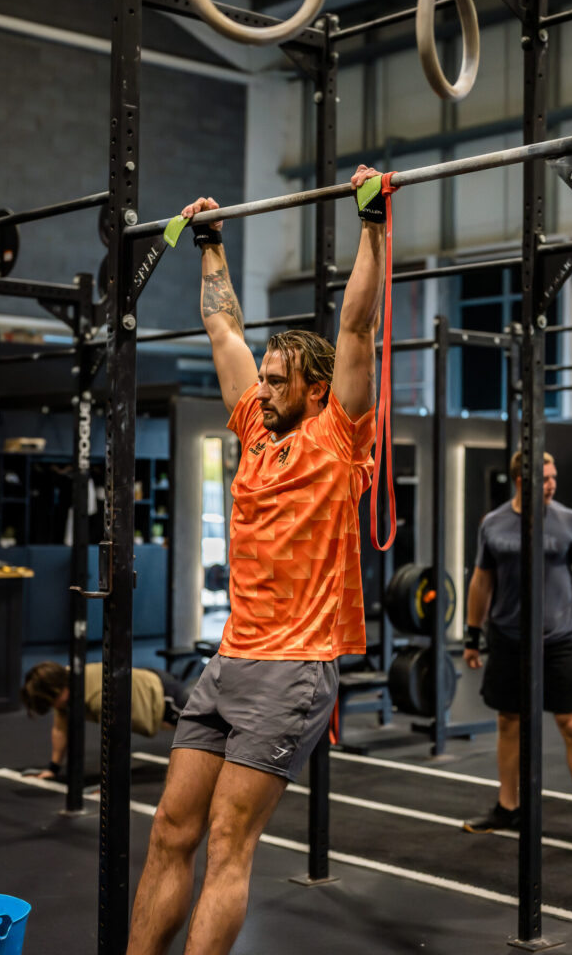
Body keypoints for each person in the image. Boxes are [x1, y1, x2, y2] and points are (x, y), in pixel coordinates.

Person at [126, 164, 385, 955]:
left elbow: (355, 329)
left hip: (292, 670)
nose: (261, 390)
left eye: (277, 382)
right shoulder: (255, 430)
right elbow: (224, 331)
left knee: (227, 843)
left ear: (315, 390)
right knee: (170, 830)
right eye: (263, 380)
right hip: (230, 661)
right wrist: (210, 243)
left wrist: (372, 222)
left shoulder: (338, 434)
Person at [462, 449, 572, 854]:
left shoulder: (569, 521)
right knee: (508, 722)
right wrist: (472, 635)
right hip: (508, 639)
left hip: (559, 639)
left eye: (554, 476)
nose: (552, 484)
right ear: (522, 480)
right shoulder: (493, 524)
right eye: (545, 478)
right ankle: (507, 806)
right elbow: (481, 581)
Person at [21, 661, 192, 778]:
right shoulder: (66, 691)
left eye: (52, 701)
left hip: (160, 690)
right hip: (139, 686)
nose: (53, 706)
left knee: (200, 727)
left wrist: (109, 785)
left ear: (59, 689)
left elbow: (116, 739)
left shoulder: (99, 695)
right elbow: (60, 730)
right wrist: (53, 768)